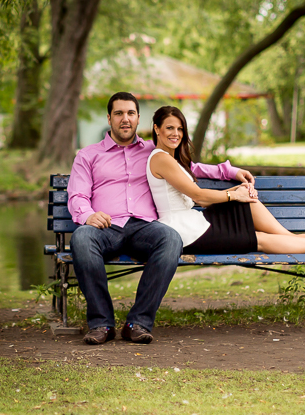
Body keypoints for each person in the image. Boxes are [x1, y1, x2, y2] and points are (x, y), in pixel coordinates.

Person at [67, 92, 256, 346]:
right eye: (119, 113)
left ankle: (138, 323)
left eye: (131, 113)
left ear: (138, 118)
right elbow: (77, 195)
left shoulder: (151, 151)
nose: (125, 119)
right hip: (106, 227)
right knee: (81, 237)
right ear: (109, 118)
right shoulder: (88, 155)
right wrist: (89, 215)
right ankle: (101, 323)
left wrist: (229, 170)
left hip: (145, 227)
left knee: (170, 239)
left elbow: (190, 168)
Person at [147, 105, 305, 255]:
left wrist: (237, 189)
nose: (176, 134)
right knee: (259, 240)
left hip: (195, 222)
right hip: (185, 233)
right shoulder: (160, 159)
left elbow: (202, 190)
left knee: (248, 204)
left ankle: (302, 239)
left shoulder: (173, 159)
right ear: (157, 129)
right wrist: (232, 194)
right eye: (170, 128)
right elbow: (199, 196)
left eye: (180, 129)